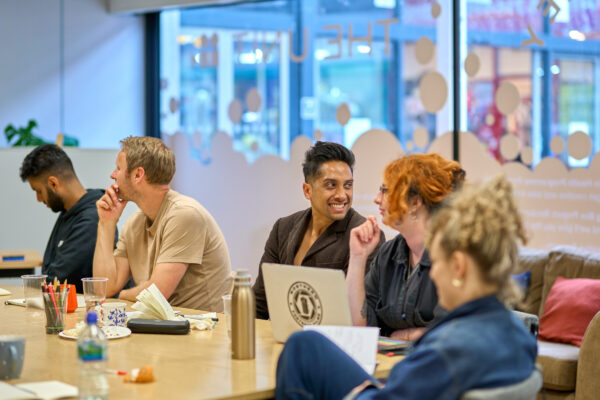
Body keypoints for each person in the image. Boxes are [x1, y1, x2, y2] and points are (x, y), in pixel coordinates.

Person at [276, 174, 538, 399]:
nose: (432, 274)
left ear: (458, 266)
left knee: (302, 348)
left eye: (437, 262)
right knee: (307, 344)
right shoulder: (516, 332)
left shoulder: (447, 350)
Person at [93, 137, 232, 312]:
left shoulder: (184, 214)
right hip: (162, 326)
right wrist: (106, 223)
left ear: (138, 175)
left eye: (118, 168)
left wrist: (119, 296)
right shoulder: (134, 223)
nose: (112, 175)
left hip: (202, 331)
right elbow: (102, 288)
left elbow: (156, 294)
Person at [252, 141, 385, 320]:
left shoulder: (364, 237)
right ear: (307, 190)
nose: (342, 195)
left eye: (348, 185)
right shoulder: (283, 228)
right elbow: (259, 304)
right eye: (331, 185)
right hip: (281, 340)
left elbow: (360, 314)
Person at [346, 153, 465, 340]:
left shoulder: (453, 255)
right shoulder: (388, 254)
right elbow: (358, 327)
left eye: (385, 191)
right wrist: (357, 257)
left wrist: (405, 335)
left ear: (415, 202)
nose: (377, 199)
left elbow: (454, 334)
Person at [19, 144, 114, 293]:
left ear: (53, 184)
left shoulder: (92, 219)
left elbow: (56, 281)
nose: (38, 199)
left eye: (38, 191)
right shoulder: (68, 212)